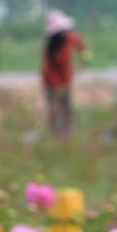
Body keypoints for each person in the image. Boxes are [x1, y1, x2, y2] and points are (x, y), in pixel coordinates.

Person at [40, 10, 86, 140]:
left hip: (66, 79)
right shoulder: (50, 48)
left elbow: (84, 49)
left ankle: (66, 131)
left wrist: (84, 62)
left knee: (66, 105)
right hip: (51, 81)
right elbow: (50, 70)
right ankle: (56, 133)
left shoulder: (71, 37)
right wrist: (57, 87)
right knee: (53, 106)